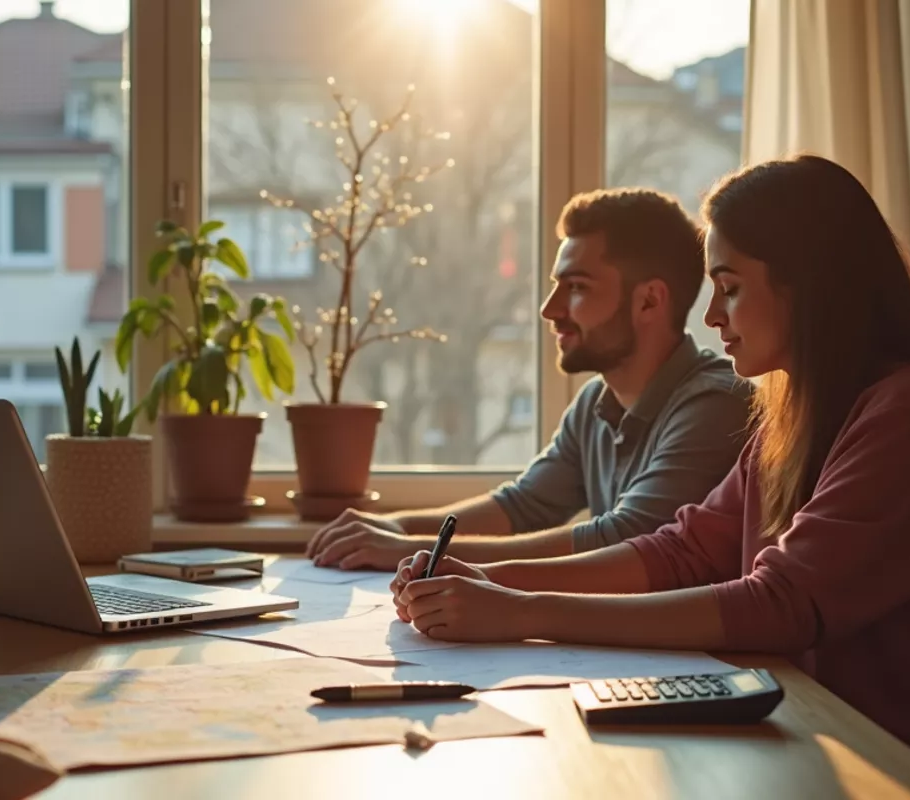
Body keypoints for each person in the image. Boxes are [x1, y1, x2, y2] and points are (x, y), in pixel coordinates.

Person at [388, 155, 910, 799]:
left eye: (730, 288)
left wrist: (521, 613)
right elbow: (684, 550)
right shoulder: (795, 412)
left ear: (809, 284)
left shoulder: (909, 413)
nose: (711, 316)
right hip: (833, 737)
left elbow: (778, 606)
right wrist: (489, 582)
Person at [305, 188, 753, 571]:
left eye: (576, 287)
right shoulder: (596, 401)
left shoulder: (715, 404)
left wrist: (414, 550)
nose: (550, 309)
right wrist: (396, 526)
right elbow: (521, 505)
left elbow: (625, 540)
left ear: (650, 302)